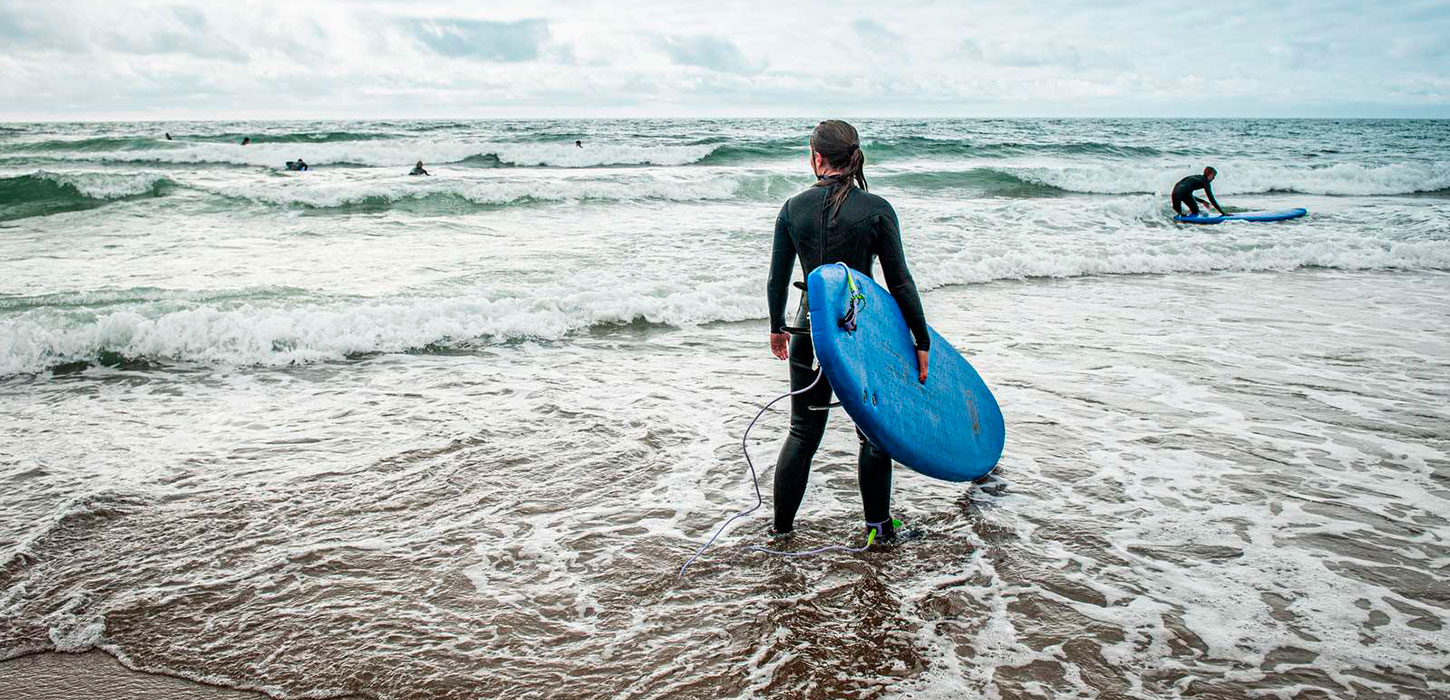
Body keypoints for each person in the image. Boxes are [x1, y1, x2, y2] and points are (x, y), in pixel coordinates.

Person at [765, 119, 930, 544]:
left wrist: (777, 327)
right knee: (872, 434)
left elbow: (777, 279)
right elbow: (900, 282)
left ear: (817, 157)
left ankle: (780, 532)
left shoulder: (792, 207)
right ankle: (879, 530)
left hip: (810, 331)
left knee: (802, 432)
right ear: (853, 156)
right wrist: (921, 339)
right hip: (861, 333)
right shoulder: (876, 209)